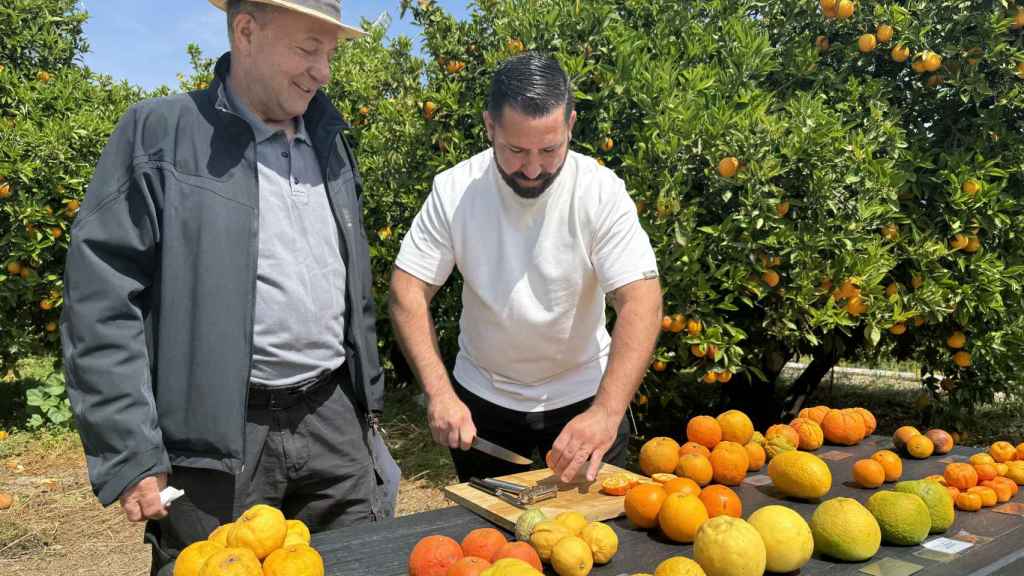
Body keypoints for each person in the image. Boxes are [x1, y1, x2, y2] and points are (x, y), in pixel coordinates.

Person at [60, 1, 398, 573]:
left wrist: (365, 402)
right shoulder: (160, 134)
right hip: (215, 440)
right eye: (308, 49)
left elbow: (350, 283)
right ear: (246, 31)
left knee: (356, 562)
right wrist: (130, 449)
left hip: (332, 416)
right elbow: (101, 301)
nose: (323, 71)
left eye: (330, 53)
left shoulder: (330, 139)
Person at [389, 52, 663, 485]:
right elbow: (407, 290)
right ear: (490, 126)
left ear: (571, 125)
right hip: (483, 403)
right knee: (488, 528)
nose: (533, 168)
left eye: (550, 150)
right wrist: (439, 393)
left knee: (593, 526)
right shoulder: (454, 190)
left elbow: (641, 301)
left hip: (585, 398)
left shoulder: (601, 192)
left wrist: (607, 412)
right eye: (515, 150)